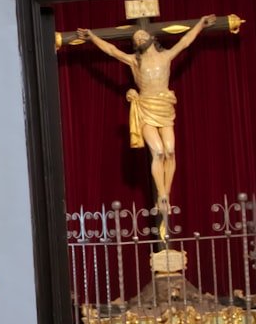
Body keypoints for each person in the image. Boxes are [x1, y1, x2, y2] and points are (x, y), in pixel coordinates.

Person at [77, 15, 215, 214]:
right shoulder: (134, 61)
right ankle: (162, 195)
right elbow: (111, 50)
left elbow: (185, 41)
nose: (139, 38)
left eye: (142, 35)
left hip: (164, 108)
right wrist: (91, 37)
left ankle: (166, 194)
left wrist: (200, 24)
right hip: (145, 108)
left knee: (170, 150)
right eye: (136, 39)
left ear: (152, 38)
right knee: (158, 152)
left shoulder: (166, 56)